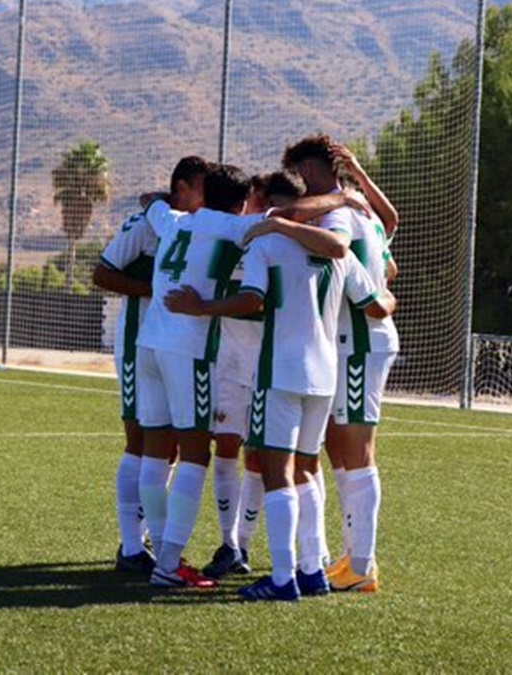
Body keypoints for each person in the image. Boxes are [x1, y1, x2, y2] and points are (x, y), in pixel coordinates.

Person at [137, 163, 362, 588]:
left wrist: (157, 200)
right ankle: (167, 567)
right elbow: (287, 220)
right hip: (189, 347)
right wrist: (344, 198)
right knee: (194, 456)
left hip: (149, 342)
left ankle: (144, 548)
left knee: (155, 451)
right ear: (243, 202)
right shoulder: (239, 228)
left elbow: (149, 204)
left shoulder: (175, 218)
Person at [165, 220, 394, 601]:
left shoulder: (267, 245)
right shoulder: (340, 253)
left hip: (280, 372)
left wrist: (201, 307)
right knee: (305, 468)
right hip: (325, 375)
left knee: (276, 472)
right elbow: (377, 305)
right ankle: (312, 570)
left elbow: (251, 299)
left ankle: (284, 578)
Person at [282, 135, 400, 593]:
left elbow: (309, 229)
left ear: (309, 173)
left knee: (357, 452)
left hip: (359, 343)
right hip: (355, 341)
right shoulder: (366, 216)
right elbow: (388, 269)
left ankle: (362, 564)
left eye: (298, 177)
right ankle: (353, 558)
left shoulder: (340, 216)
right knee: (340, 450)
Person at [92, 156, 211, 575]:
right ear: (180, 189)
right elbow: (102, 273)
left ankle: (155, 542)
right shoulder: (145, 223)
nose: (207, 198)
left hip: (171, 345)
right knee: (140, 442)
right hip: (137, 342)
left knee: (168, 447)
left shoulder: (195, 226)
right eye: (201, 188)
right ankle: (130, 546)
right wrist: (155, 290)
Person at [201, 171, 307, 580]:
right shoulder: (234, 239)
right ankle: (230, 544)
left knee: (260, 457)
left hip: (266, 365)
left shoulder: (287, 243)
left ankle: (243, 542)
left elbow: (261, 303)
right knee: (226, 449)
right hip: (230, 361)